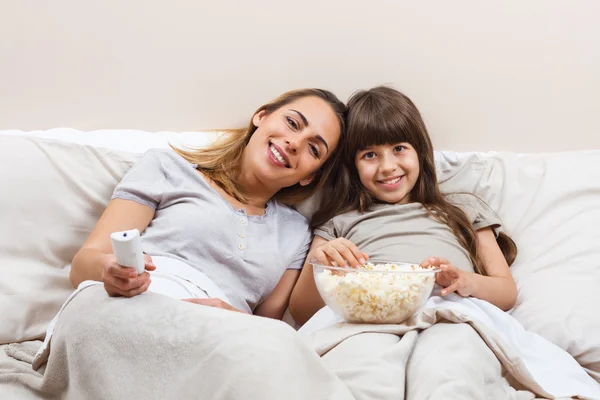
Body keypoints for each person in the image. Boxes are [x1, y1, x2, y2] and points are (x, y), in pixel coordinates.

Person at [69, 88, 346, 320]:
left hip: (215, 345)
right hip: (134, 307)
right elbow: (82, 266)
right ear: (261, 116)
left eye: (314, 149)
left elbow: (265, 331)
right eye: (292, 123)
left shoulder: (295, 234)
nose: (294, 142)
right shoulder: (168, 168)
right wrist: (109, 270)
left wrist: (232, 319)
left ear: (310, 176)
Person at [289, 85, 518, 326]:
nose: (387, 166)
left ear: (420, 152)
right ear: (353, 166)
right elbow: (302, 312)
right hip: (368, 323)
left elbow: (506, 293)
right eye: (369, 155)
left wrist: (465, 281)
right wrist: (321, 263)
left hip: (450, 316)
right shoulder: (338, 223)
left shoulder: (463, 209)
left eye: (399, 149)